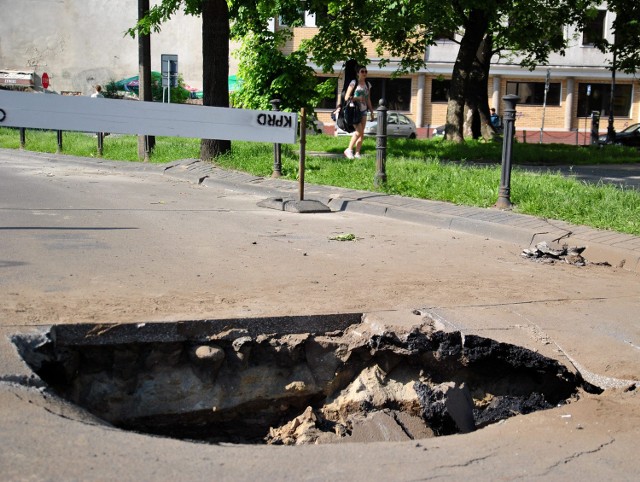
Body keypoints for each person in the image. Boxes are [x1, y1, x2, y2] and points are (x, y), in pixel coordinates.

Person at [339, 65, 375, 159]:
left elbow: (368, 99)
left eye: (365, 71)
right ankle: (349, 149)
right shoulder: (353, 83)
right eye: (362, 71)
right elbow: (346, 97)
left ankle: (357, 153)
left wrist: (371, 111)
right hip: (354, 110)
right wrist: (357, 98)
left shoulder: (368, 84)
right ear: (358, 73)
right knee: (358, 132)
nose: (364, 73)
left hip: (363, 111)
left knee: (362, 133)